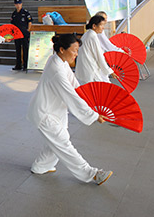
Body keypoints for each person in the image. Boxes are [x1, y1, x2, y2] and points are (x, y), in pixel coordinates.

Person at [27, 33, 113, 185]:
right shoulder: (56, 70)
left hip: (54, 110)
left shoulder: (59, 61)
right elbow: (71, 96)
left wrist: (91, 102)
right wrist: (93, 115)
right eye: (74, 50)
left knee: (58, 141)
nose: (76, 54)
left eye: (77, 50)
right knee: (64, 144)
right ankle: (92, 174)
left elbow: (75, 87)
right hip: (45, 113)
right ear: (62, 49)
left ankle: (40, 166)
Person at [75, 15, 116, 85]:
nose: (103, 28)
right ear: (94, 26)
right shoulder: (92, 37)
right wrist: (110, 71)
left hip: (83, 70)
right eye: (101, 25)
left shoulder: (87, 34)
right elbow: (99, 57)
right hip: (90, 71)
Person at [11, 0, 32, 71]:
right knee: (18, 49)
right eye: (16, 4)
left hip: (24, 34)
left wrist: (28, 31)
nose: (18, 5)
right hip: (16, 35)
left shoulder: (25, 13)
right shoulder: (14, 14)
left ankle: (26, 65)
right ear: (14, 5)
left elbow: (29, 22)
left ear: (21, 4)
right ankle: (18, 65)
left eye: (19, 4)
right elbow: (12, 24)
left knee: (25, 49)